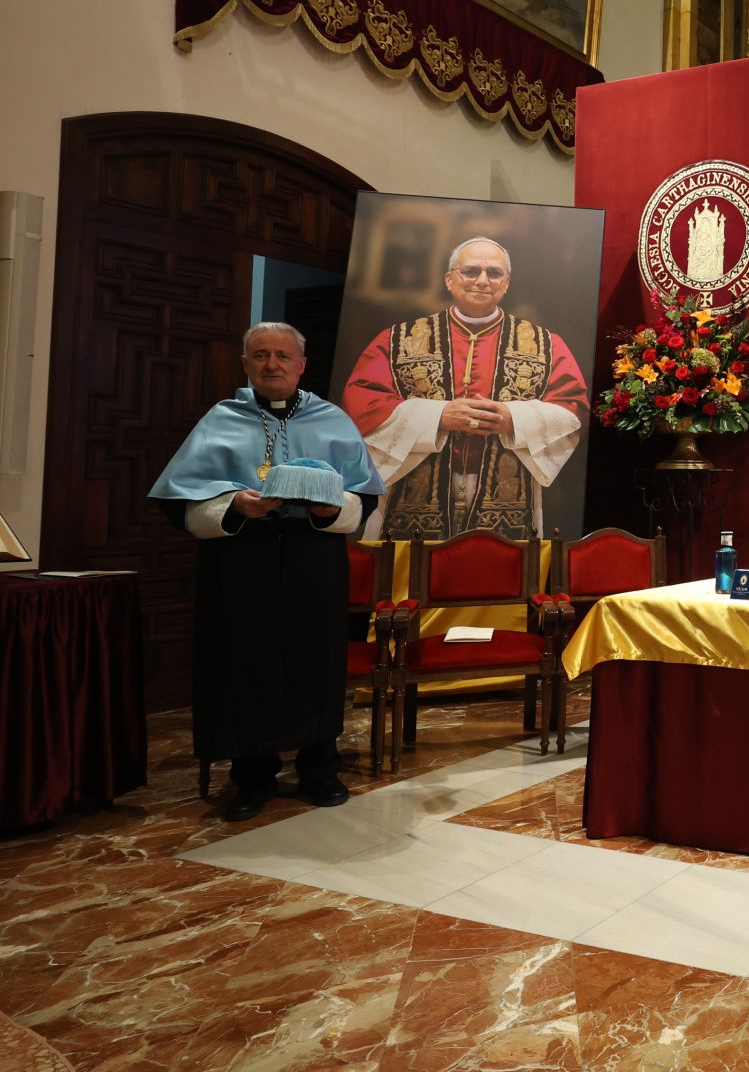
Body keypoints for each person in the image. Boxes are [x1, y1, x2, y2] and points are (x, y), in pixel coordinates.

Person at [149, 323, 384, 822]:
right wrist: (235, 504)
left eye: (282, 355)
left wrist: (328, 511)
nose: (271, 364)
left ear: (301, 364)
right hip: (241, 559)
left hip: (312, 558)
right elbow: (181, 501)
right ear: (246, 363)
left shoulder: (332, 419)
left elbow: (363, 496)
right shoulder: (222, 418)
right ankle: (252, 777)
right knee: (244, 661)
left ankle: (319, 769)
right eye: (260, 355)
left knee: (314, 660)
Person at [342, 237, 591, 540]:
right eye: (471, 271)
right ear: (450, 279)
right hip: (412, 493)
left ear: (507, 283)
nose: (482, 281)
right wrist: (438, 416)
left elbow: (572, 407)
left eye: (494, 273)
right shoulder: (399, 340)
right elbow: (363, 401)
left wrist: (513, 419)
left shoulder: (546, 344)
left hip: (506, 496)